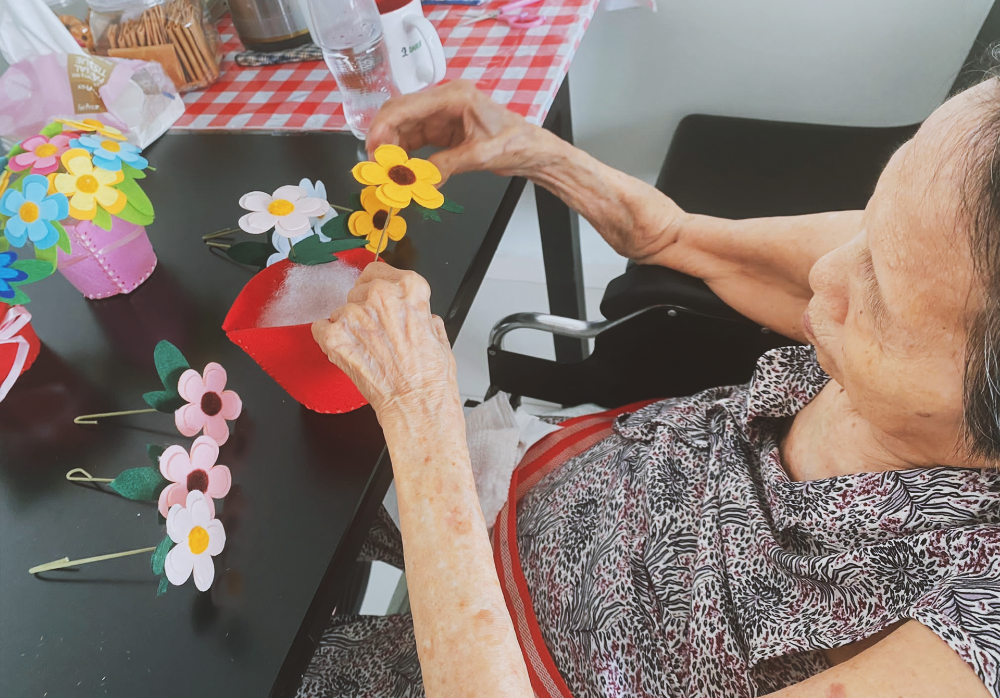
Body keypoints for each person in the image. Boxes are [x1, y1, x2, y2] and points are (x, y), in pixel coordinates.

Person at [301, 73, 1000, 698]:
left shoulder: (977, 635)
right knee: (292, 493)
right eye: (866, 228)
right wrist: (531, 147)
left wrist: (421, 416)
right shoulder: (942, 264)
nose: (827, 276)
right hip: (537, 487)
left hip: (486, 665)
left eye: (879, 297)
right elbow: (674, 237)